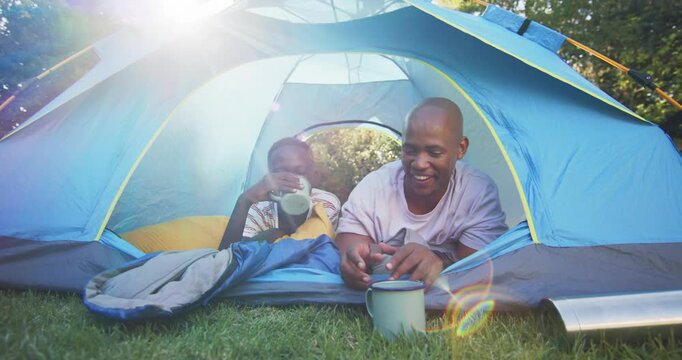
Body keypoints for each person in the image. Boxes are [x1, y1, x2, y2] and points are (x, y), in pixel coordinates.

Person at [335, 97, 508, 289]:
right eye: (410, 151)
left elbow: (475, 269)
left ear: (460, 148)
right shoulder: (374, 187)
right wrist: (356, 260)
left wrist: (437, 264)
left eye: (434, 153)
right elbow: (349, 248)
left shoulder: (477, 192)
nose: (419, 164)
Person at [218, 137, 340, 249]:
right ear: (269, 177)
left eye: (300, 172)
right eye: (280, 173)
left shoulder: (326, 203)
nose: (290, 179)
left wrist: (274, 237)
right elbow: (225, 260)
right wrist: (245, 200)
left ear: (314, 177)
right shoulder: (260, 210)